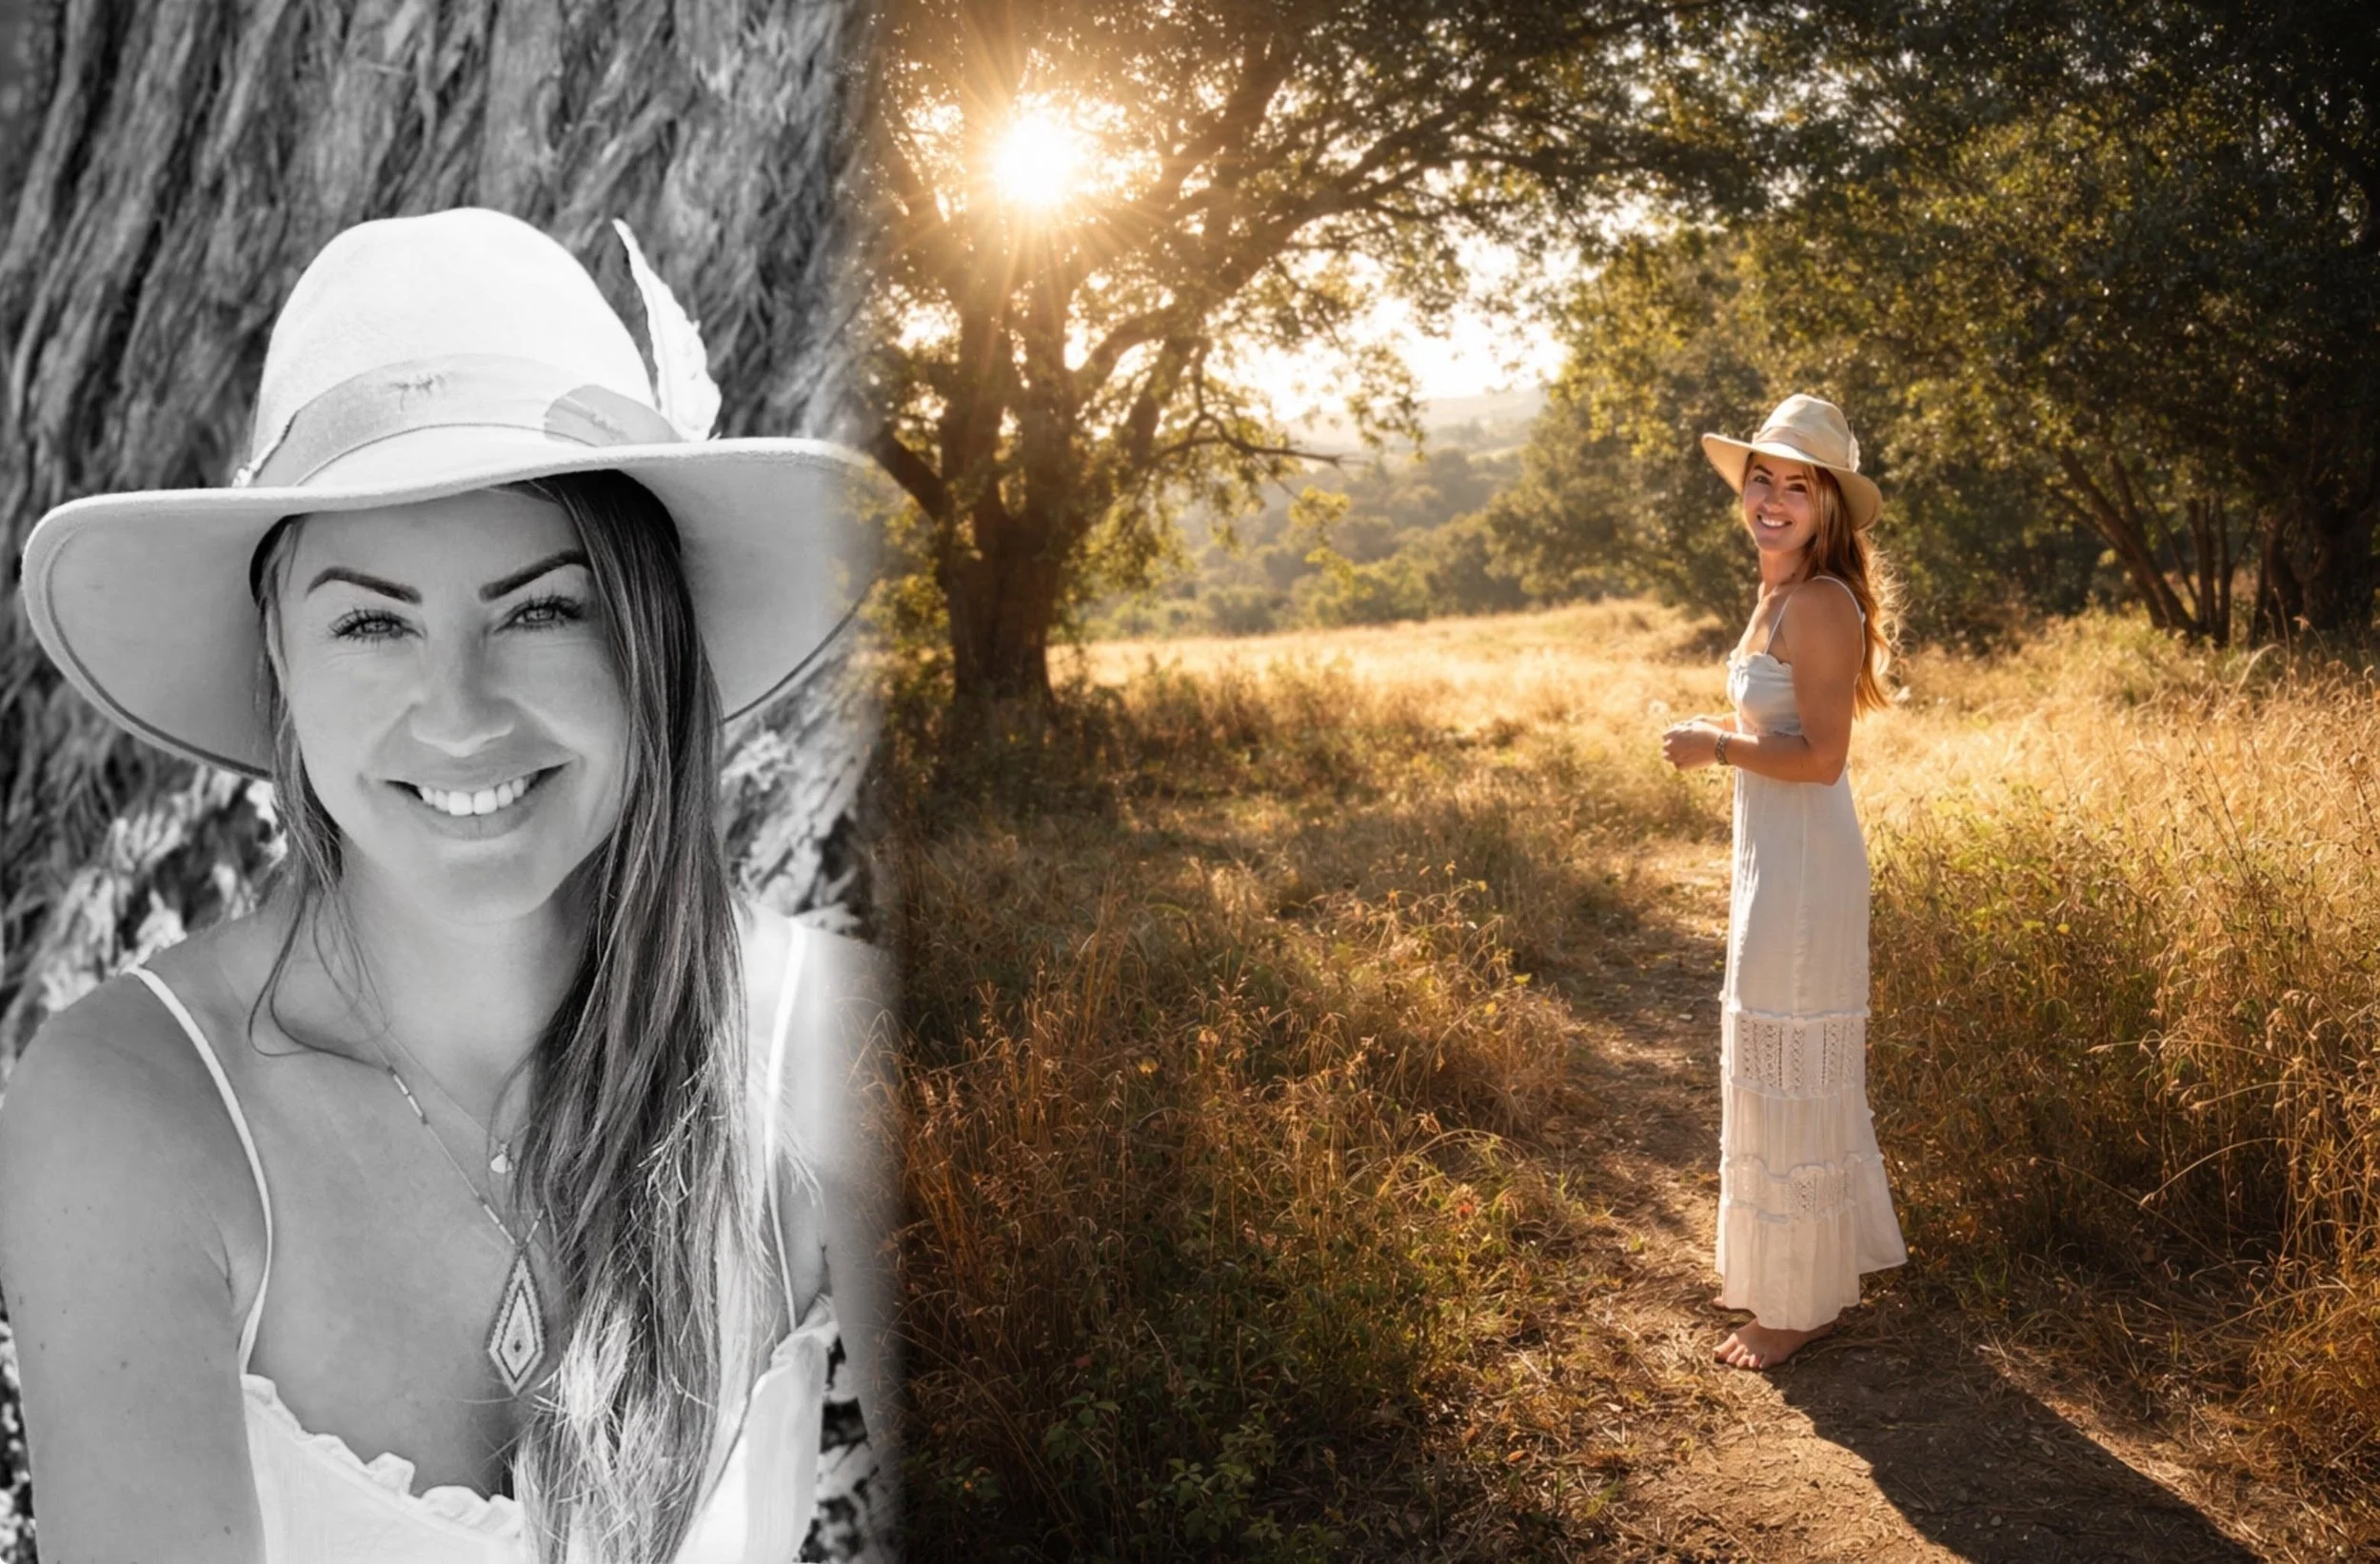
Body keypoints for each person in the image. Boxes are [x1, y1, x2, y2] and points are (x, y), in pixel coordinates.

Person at [0, 208, 896, 1560]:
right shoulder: (133, 1104)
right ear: (280, 663)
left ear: (651, 635)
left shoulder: (842, 1046)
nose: (461, 713)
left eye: (541, 607)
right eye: (372, 620)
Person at [1658, 394, 1909, 1372]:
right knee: (1772, 1056)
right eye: (1759, 478)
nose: (1770, 498)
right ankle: (1795, 1274)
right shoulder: (1776, 591)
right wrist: (1723, 732)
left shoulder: (1820, 602)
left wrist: (1715, 746)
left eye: (1794, 485)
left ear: (1827, 504)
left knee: (1790, 1057)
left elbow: (1822, 758)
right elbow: (1782, 723)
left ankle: (1800, 1304)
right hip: (1775, 857)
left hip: (1807, 870)